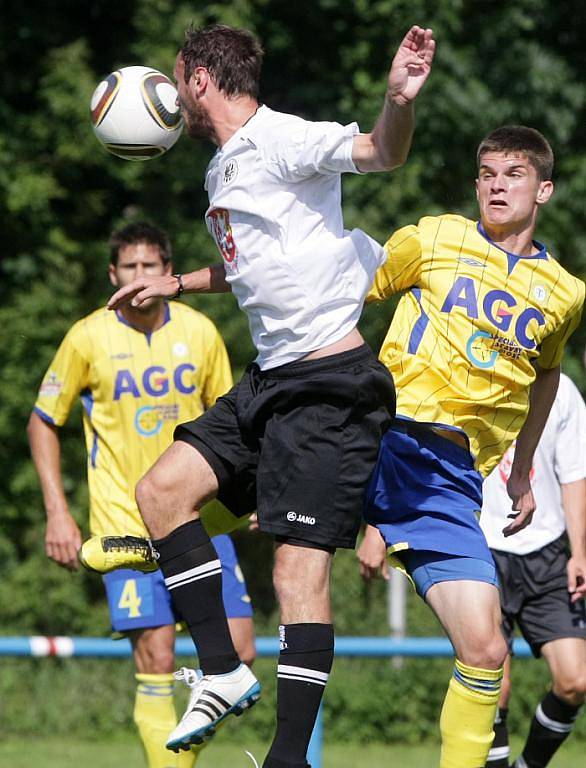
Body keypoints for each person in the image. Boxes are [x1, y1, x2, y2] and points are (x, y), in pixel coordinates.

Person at [107, 21, 436, 768]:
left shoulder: (280, 138)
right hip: (270, 378)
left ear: (197, 80)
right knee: (160, 492)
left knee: (296, 569)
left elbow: (380, 152)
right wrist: (180, 280)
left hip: (330, 386)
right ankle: (223, 671)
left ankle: (290, 758)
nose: (169, 92)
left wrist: (398, 100)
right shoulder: (222, 167)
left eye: (173, 77)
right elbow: (257, 263)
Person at [356, 125, 585, 768]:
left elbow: (544, 377)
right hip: (379, 436)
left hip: (454, 476)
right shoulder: (434, 237)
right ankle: (166, 532)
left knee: (489, 654)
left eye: (511, 174)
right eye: (485, 173)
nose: (494, 185)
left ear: (544, 189)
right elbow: (342, 291)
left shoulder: (565, 293)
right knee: (267, 521)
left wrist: (522, 475)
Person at [27, 222, 256, 768]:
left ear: (167, 271)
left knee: (241, 653)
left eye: (150, 266)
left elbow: (230, 419)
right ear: (113, 275)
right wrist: (58, 513)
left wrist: (244, 492)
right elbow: (42, 421)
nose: (139, 277)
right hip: (122, 527)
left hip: (198, 518)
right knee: (156, 657)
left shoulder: (201, 332)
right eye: (129, 267)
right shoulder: (88, 336)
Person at [481, 372, 586, 768]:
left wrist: (580, 553)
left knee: (575, 680)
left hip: (547, 553)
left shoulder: (562, 391)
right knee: (494, 685)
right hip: (483, 546)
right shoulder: (476, 377)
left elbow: (575, 474)